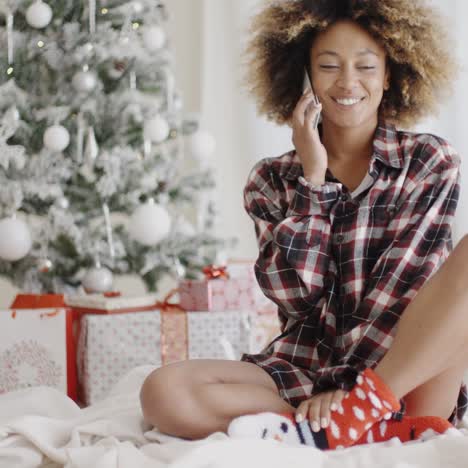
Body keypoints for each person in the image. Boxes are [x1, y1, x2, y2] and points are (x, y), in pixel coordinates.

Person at [140, 0, 467, 450]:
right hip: (302, 370)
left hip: (402, 375)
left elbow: (402, 288)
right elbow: (296, 298)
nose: (348, 82)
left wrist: (352, 389)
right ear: (305, 76)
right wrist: (312, 179)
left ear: (389, 74)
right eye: (329, 66)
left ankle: (361, 414)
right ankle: (320, 429)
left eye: (366, 67)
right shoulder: (270, 180)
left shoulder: (430, 162)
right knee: (162, 392)